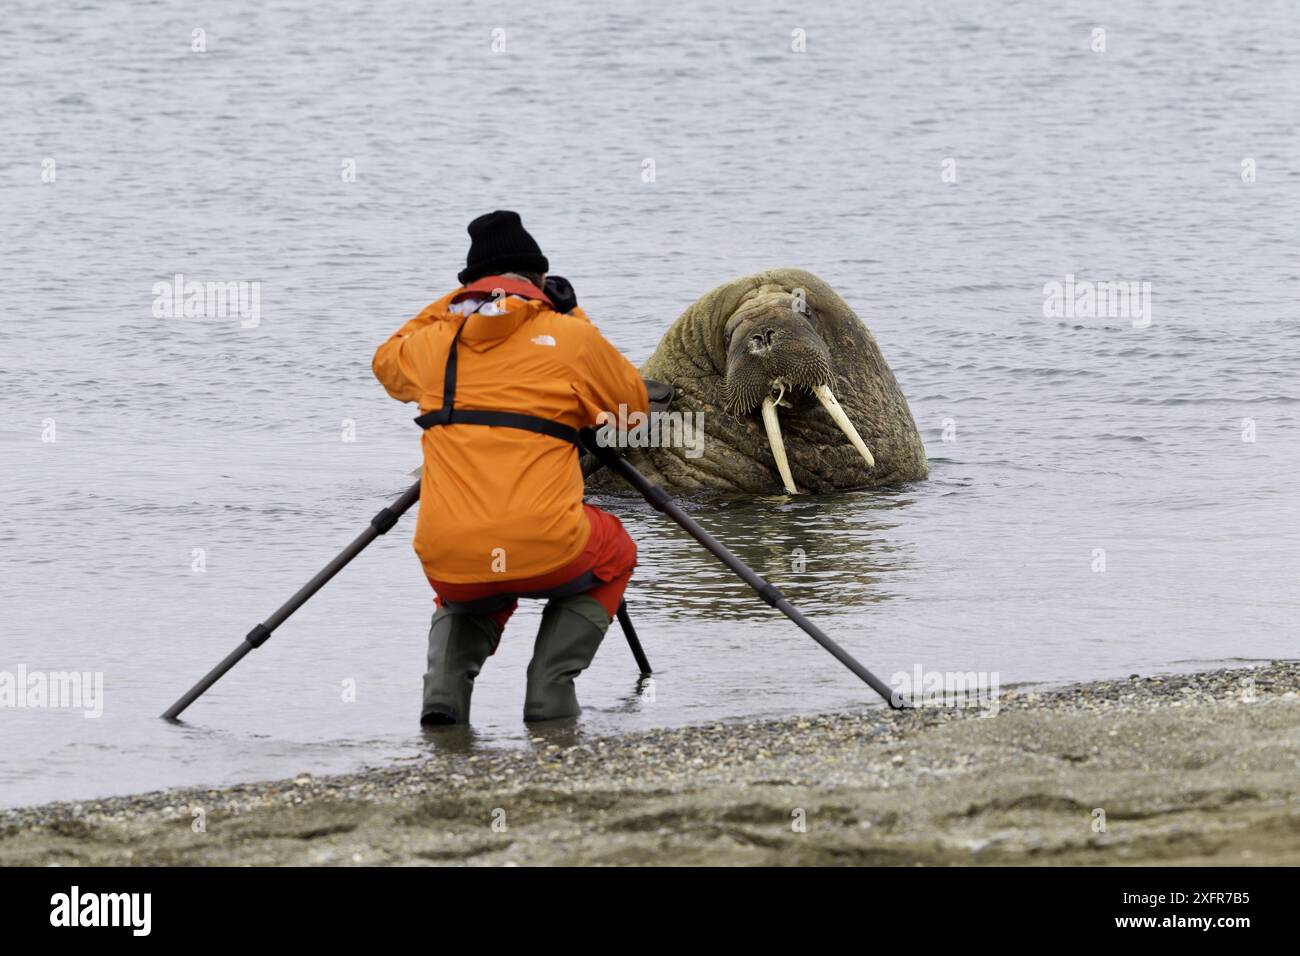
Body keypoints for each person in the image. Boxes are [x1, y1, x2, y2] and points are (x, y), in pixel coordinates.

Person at [373, 210, 648, 724]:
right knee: (617, 549)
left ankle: (443, 699)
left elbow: (385, 362)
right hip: (549, 548)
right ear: (541, 280)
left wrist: (457, 304)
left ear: (471, 286)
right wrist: (572, 314)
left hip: (448, 555)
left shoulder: (435, 344)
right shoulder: (569, 337)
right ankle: (548, 693)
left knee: (470, 588)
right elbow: (631, 415)